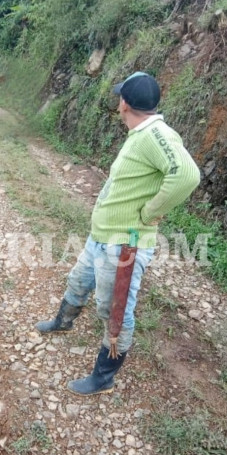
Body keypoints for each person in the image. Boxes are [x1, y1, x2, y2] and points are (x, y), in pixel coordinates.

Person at [35, 71, 201, 396]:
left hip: (124, 244)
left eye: (119, 98)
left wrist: (150, 212)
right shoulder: (141, 134)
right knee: (78, 280)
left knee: (115, 310)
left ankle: (103, 377)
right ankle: (63, 321)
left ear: (124, 103)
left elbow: (187, 175)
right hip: (102, 238)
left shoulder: (156, 135)